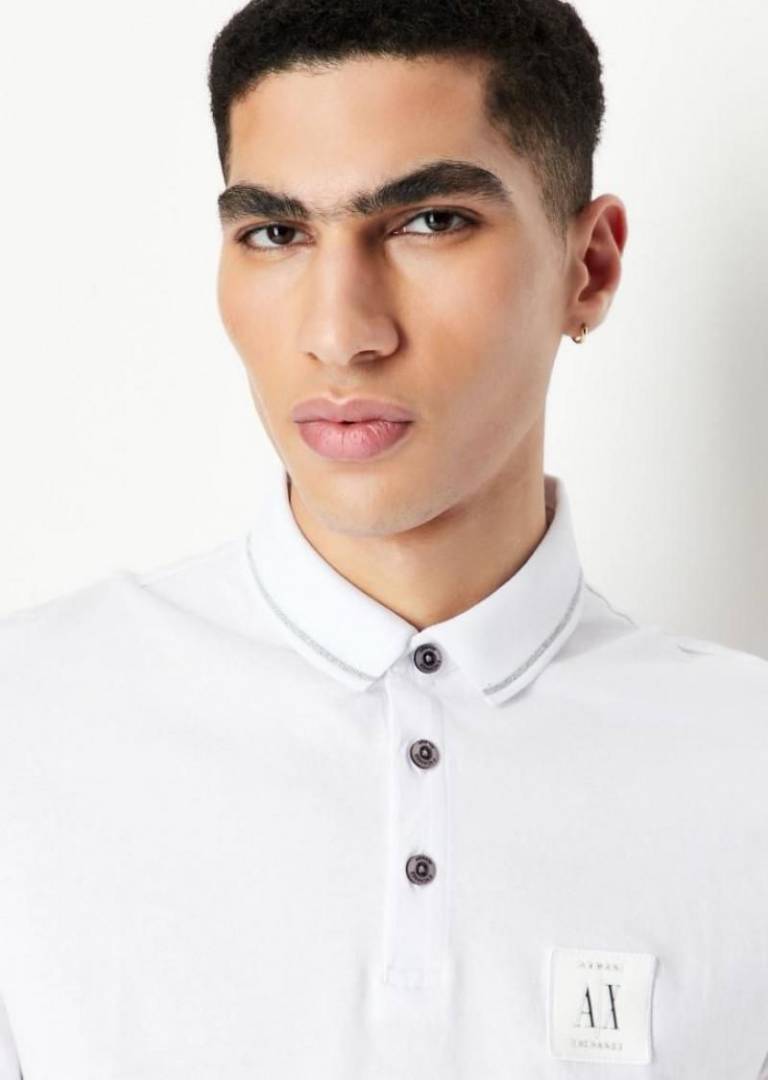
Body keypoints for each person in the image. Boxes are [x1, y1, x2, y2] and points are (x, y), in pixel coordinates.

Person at [1, 0, 766, 1077]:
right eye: (275, 234)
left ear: (587, 269)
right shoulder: (28, 730)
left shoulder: (745, 769)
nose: (340, 333)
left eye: (430, 222)